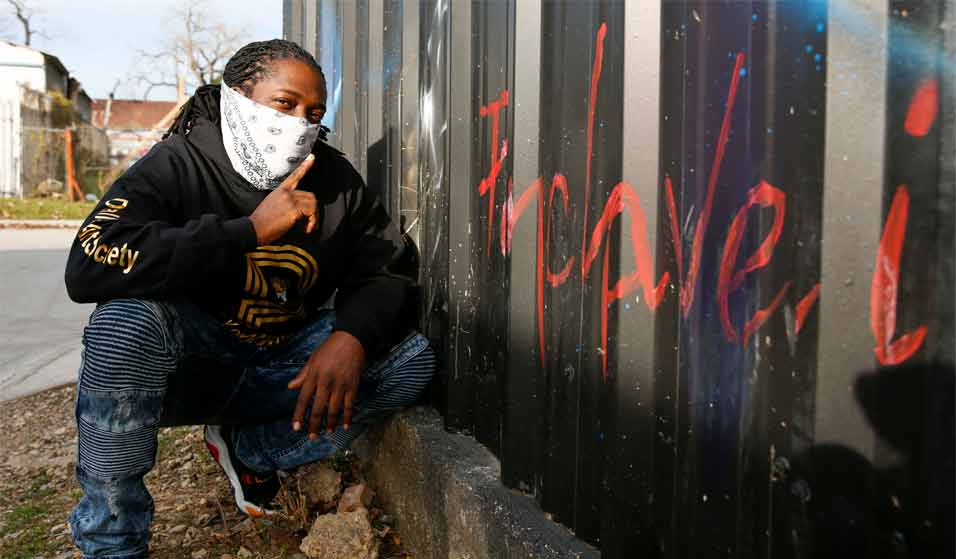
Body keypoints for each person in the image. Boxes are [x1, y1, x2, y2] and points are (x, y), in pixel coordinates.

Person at [64, 39, 436, 558]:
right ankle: (113, 543)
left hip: (279, 369)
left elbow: (388, 267)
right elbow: (89, 264)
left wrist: (351, 336)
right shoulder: (178, 164)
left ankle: (253, 452)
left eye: (314, 113)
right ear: (237, 97)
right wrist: (246, 232)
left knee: (410, 361)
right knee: (125, 323)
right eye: (284, 104)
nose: (300, 124)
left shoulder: (332, 179)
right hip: (184, 373)